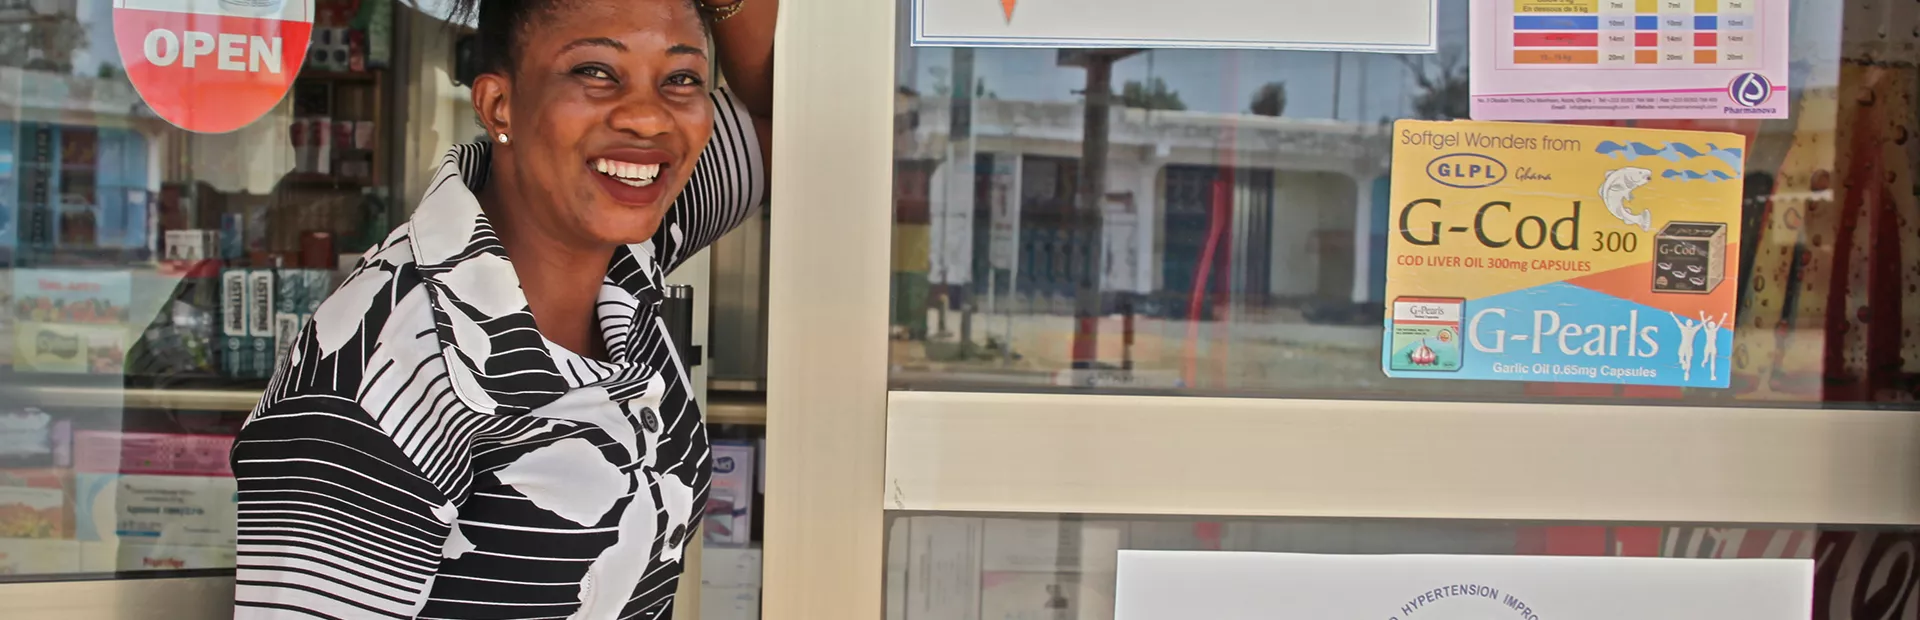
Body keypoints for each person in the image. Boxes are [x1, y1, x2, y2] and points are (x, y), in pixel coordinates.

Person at [228, 0, 775, 616]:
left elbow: (786, 107)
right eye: (595, 72)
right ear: (497, 105)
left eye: (681, 79)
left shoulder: (630, 244)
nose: (648, 119)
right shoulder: (374, 383)